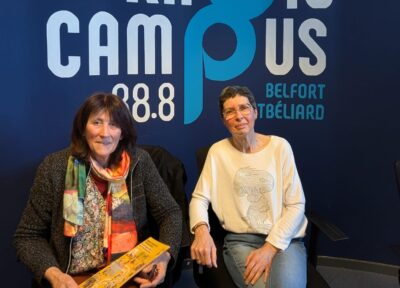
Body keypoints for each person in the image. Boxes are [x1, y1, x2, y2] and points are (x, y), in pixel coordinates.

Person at [14, 92, 182, 288]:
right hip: (73, 279)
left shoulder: (139, 162)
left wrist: (164, 255)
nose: (105, 133)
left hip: (131, 275)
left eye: (114, 125)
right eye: (97, 123)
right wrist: (54, 274)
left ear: (122, 133)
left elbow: (170, 213)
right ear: (83, 129)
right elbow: (27, 236)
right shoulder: (55, 167)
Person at [189, 86, 308, 288]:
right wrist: (201, 231)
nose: (238, 116)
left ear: (255, 112)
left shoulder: (280, 147)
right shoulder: (218, 152)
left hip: (285, 240)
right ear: (223, 120)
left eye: (244, 108)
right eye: (230, 111)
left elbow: (296, 205)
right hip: (241, 241)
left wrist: (270, 247)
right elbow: (199, 198)